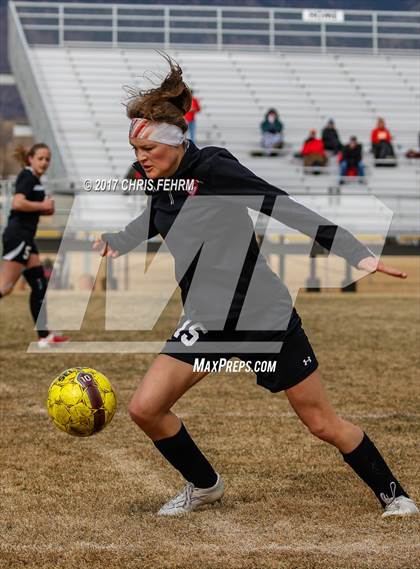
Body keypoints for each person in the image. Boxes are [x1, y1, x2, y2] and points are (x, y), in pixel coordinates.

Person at [94, 54, 418, 518]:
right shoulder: (160, 181)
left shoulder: (213, 168)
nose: (140, 160)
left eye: (147, 151)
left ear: (173, 142)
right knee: (146, 408)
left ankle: (394, 494)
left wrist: (353, 251)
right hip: (206, 318)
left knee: (321, 423)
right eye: (136, 153)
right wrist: (122, 239)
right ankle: (205, 486)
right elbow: (156, 215)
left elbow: (280, 205)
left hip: (261, 315)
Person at [0, 144, 69, 347]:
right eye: (40, 158)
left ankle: (44, 336)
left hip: (27, 237)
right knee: (5, 287)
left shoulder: (36, 180)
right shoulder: (27, 176)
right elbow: (17, 203)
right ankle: (44, 335)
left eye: (47, 159)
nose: (44, 163)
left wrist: (45, 210)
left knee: (40, 284)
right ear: (30, 159)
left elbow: (30, 208)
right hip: (18, 236)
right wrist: (42, 206)